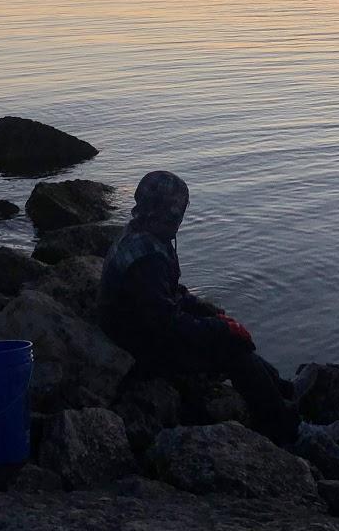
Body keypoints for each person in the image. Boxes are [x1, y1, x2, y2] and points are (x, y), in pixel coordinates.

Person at [99, 170, 303, 444]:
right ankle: (285, 430)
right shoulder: (147, 259)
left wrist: (204, 310)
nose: (179, 219)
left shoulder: (141, 233)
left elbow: (165, 295)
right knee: (234, 350)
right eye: (176, 212)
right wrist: (219, 329)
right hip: (139, 346)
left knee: (227, 331)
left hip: (136, 327)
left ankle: (284, 392)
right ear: (164, 211)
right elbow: (165, 324)